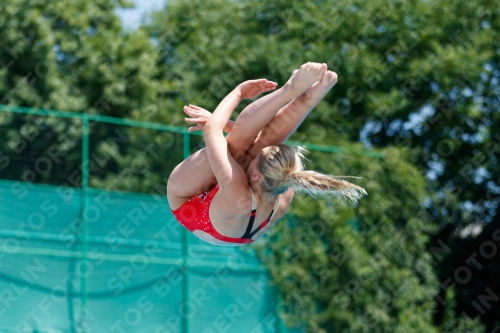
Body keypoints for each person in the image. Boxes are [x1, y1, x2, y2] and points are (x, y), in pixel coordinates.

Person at [167, 62, 366, 246]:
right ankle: (308, 99)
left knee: (236, 148)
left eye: (255, 158)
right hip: (237, 222)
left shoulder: (237, 186)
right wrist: (226, 125)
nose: (253, 151)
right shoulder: (285, 183)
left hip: (190, 207)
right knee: (261, 142)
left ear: (254, 176)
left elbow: (212, 129)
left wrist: (239, 92)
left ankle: (291, 91)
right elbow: (249, 140)